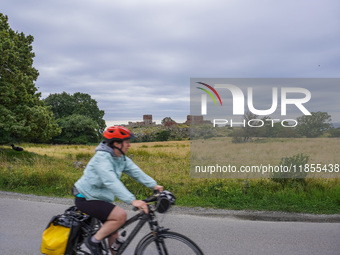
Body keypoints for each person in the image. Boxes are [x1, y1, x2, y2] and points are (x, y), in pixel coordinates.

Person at [73, 126, 163, 255]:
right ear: (116, 143)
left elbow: (135, 171)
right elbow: (111, 181)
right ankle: (93, 241)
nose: (129, 145)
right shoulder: (102, 158)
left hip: (100, 198)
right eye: (127, 142)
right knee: (120, 216)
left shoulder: (120, 157)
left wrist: (154, 185)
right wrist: (133, 201)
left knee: (113, 232)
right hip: (86, 197)